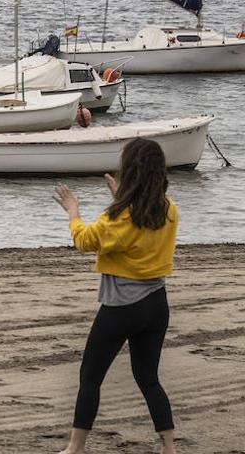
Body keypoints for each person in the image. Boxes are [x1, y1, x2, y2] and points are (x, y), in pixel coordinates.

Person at [53, 138, 177, 454]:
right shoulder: (168, 208)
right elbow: (139, 226)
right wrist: (121, 198)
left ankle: (75, 447)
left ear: (130, 172)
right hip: (157, 304)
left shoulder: (119, 217)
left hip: (122, 306)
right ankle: (169, 447)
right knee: (148, 377)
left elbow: (85, 240)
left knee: (90, 376)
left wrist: (73, 210)